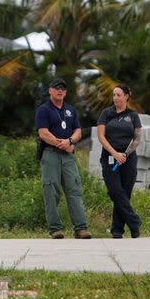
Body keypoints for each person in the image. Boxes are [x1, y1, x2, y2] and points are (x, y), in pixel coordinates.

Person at [35, 78, 92, 239]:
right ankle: (55, 229)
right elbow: (43, 133)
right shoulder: (44, 110)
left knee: (74, 189)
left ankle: (81, 228)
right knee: (51, 190)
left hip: (68, 156)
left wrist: (71, 141)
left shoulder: (71, 110)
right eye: (56, 88)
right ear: (50, 90)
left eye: (63, 88)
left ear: (65, 92)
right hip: (50, 153)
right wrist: (62, 144)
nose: (60, 90)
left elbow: (78, 131)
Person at [97, 84, 142, 238]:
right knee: (115, 191)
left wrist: (125, 154)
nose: (115, 97)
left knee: (125, 192)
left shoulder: (133, 115)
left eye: (118, 95)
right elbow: (101, 136)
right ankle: (134, 222)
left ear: (126, 96)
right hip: (110, 157)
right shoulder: (106, 113)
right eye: (114, 95)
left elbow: (137, 138)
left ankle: (117, 230)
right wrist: (115, 154)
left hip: (128, 158)